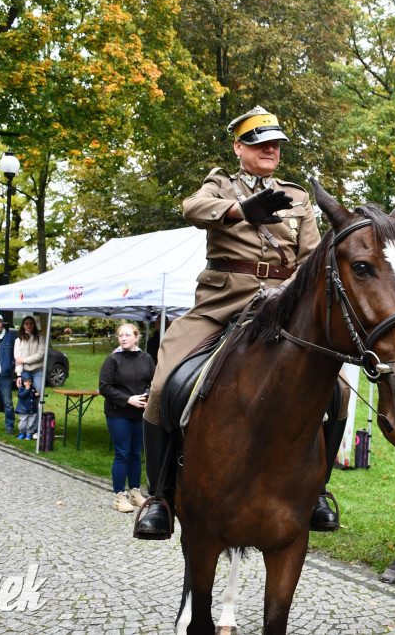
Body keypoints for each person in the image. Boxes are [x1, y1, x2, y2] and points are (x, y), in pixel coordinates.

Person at [137, 105, 343, 538]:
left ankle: (319, 491)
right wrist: (239, 210)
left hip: (282, 304)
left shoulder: (299, 197)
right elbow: (192, 208)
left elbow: (309, 256)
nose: (270, 149)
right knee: (163, 382)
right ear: (239, 148)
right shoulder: (220, 185)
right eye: (260, 143)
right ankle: (158, 497)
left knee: (337, 389)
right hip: (222, 302)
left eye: (276, 144)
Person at [99, 323, 156, 513]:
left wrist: (146, 397)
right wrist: (128, 399)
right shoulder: (113, 360)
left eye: (127, 335)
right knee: (122, 453)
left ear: (136, 338)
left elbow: (153, 382)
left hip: (139, 414)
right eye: (120, 335)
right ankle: (119, 496)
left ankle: (135, 491)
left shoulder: (146, 358)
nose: (123, 338)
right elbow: (105, 387)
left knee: (135, 453)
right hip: (118, 413)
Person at [14, 315, 45, 436]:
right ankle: (25, 428)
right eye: (26, 323)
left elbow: (40, 355)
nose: (29, 326)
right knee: (25, 397)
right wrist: (19, 375)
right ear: (23, 325)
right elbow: (18, 359)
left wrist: (25, 360)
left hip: (37, 370)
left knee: (37, 397)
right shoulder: (19, 340)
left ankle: (36, 428)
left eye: (31, 323)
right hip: (25, 372)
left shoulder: (40, 338)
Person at [15, 376, 40, 440]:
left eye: (29, 381)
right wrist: (26, 390)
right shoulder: (21, 388)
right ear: (23, 382)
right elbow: (21, 396)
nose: (28, 383)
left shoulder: (33, 389)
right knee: (23, 422)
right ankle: (22, 433)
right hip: (23, 409)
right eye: (26, 381)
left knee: (31, 423)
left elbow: (33, 397)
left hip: (32, 409)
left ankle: (28, 434)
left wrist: (36, 395)